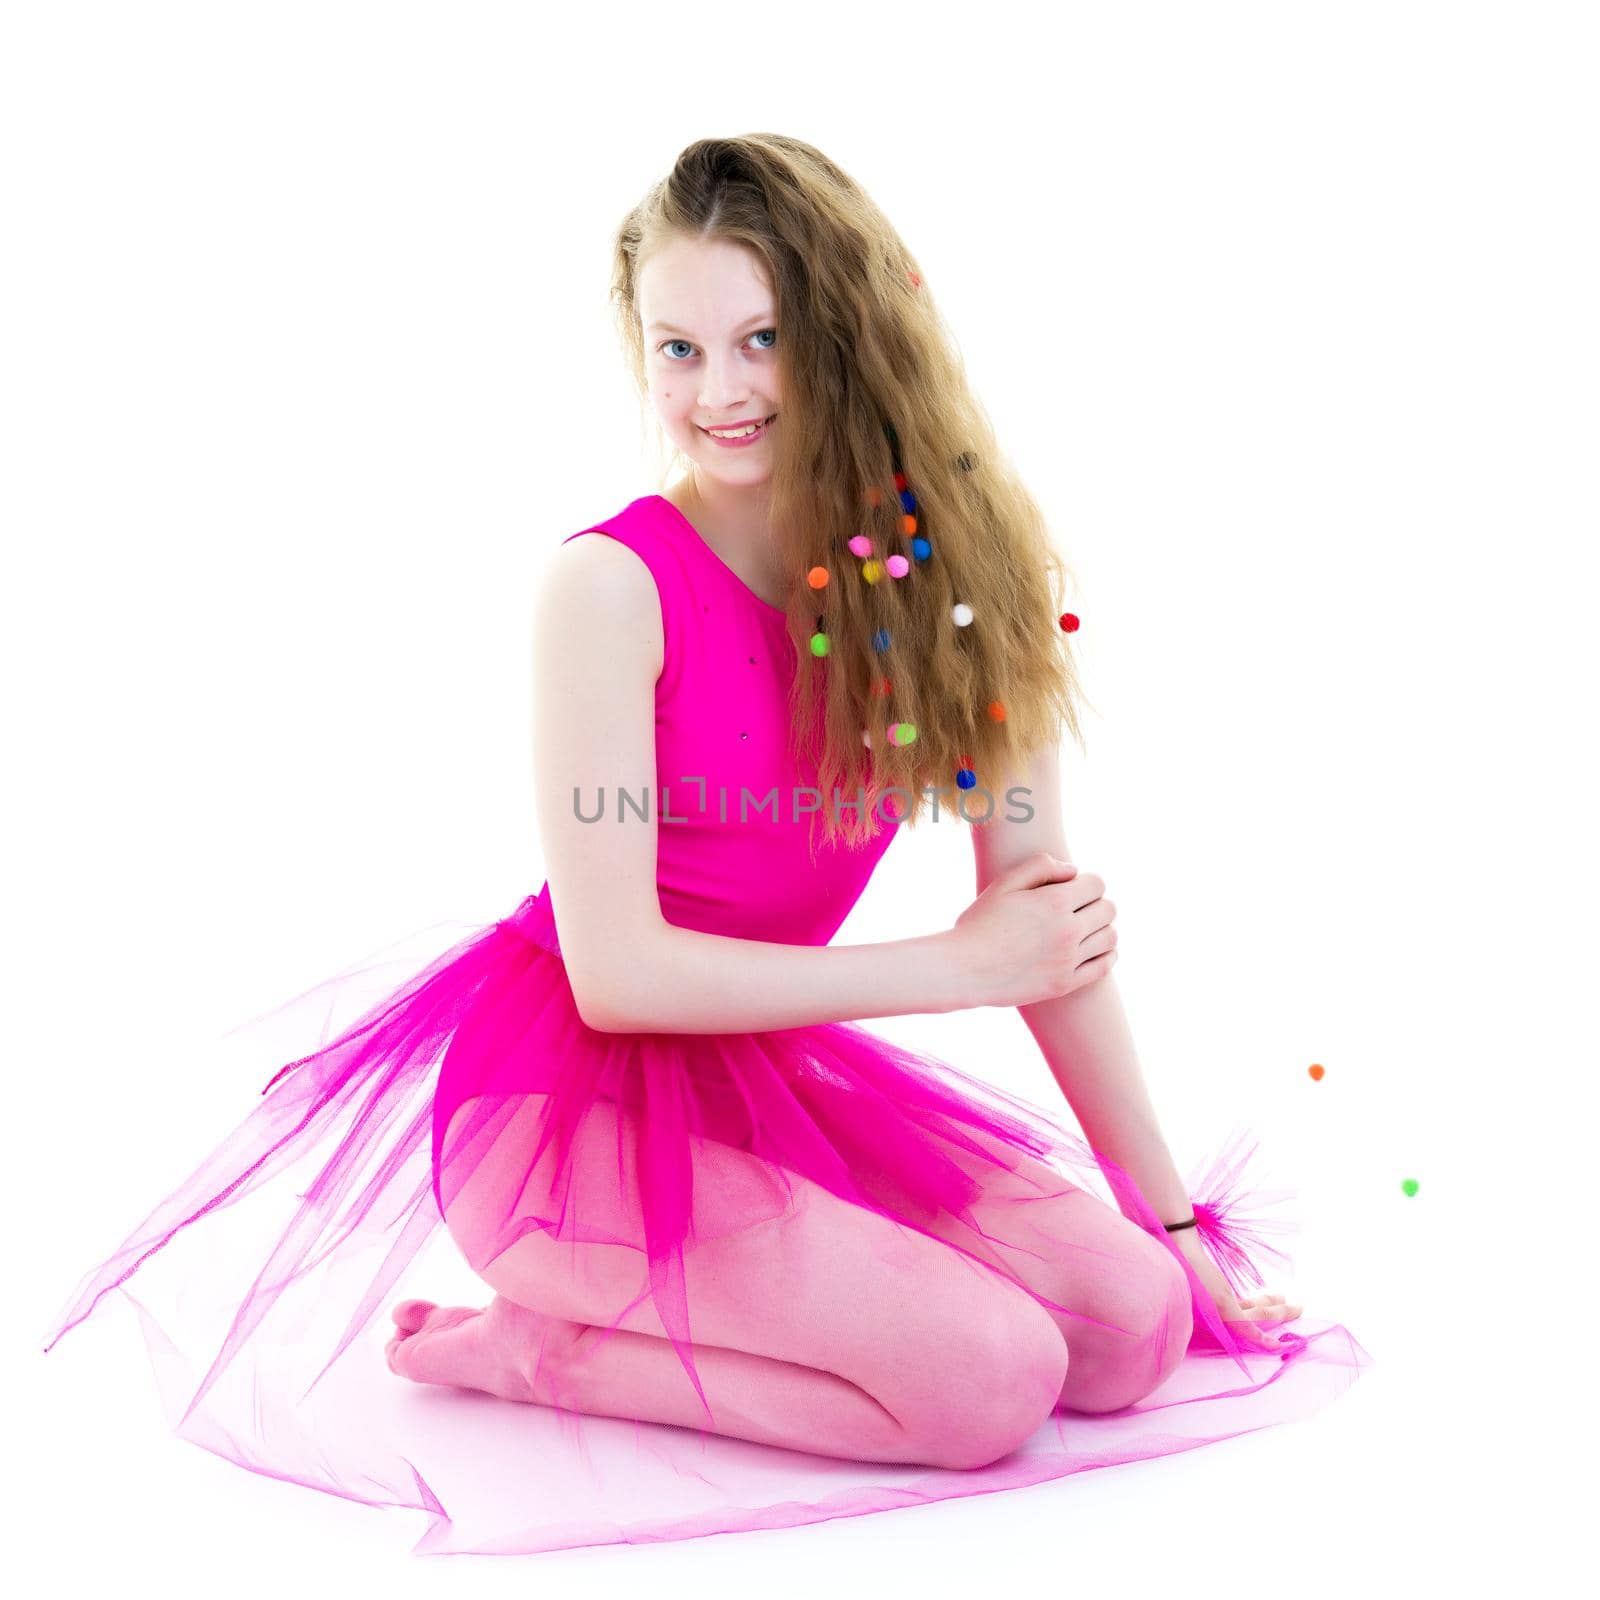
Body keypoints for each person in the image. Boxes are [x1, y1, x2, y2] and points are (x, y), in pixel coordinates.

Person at [42, 134, 1370, 1557]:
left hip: (766, 1078)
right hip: (563, 1116)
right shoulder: (608, 589)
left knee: (1128, 1330)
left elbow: (1041, 936)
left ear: (855, 336)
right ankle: (533, 1348)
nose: (719, 393)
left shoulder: (962, 572)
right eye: (678, 348)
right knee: (989, 1382)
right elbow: (619, 977)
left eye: (763, 339)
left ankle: (874, 1288)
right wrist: (954, 968)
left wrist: (1171, 1228)